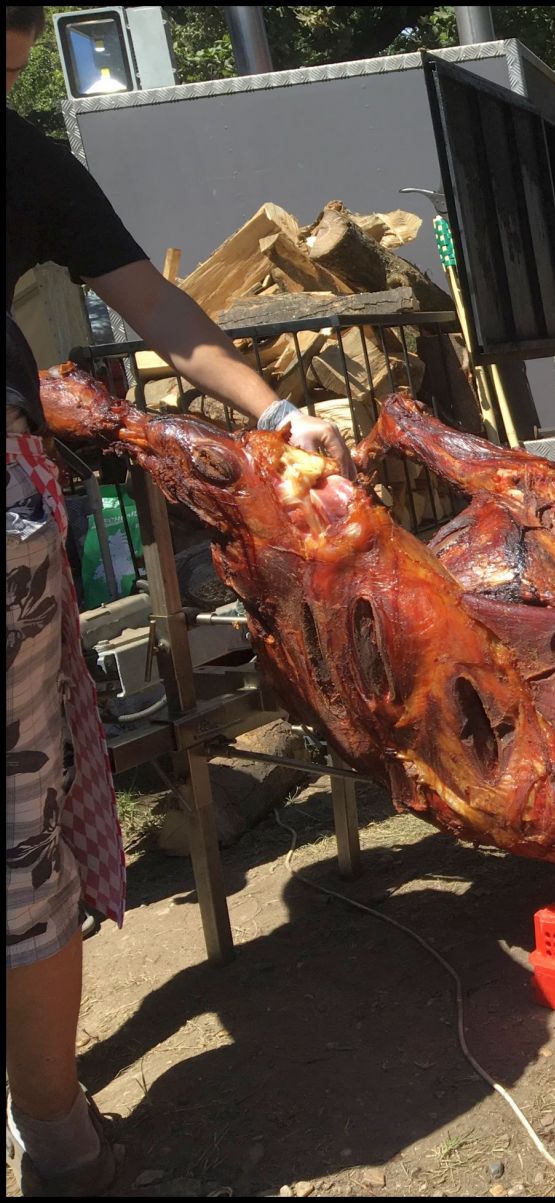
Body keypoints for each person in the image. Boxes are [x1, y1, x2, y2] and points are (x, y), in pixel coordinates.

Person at [5, 6, 351, 1195]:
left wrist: (275, 412)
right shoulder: (24, 155)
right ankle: (56, 1132)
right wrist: (274, 413)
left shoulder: (26, 157)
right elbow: (150, 305)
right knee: (13, 839)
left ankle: (51, 1125)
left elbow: (152, 304)